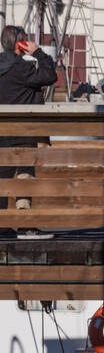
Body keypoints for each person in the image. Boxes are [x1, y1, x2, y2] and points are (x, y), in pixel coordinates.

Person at [0, 26, 58, 230]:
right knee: (25, 176)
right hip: (23, 132)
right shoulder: (22, 69)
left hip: (1, 133)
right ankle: (25, 225)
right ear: (19, 44)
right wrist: (38, 53)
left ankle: (2, 226)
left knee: (1, 178)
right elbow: (50, 75)